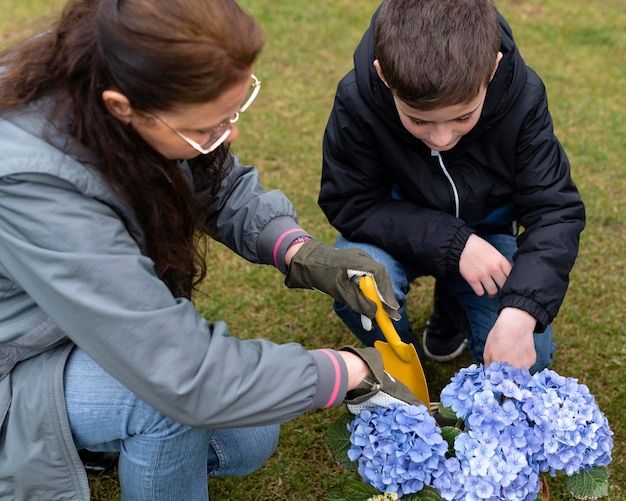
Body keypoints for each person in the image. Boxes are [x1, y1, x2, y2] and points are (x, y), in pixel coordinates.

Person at [0, 0, 417, 499]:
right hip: (14, 365)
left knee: (248, 436)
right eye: (206, 127)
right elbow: (185, 377)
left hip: (64, 329)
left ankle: (95, 443)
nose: (228, 134)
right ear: (121, 107)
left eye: (232, 113)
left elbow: (210, 180)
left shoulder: (115, 74)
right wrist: (347, 369)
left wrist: (298, 252)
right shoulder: (34, 184)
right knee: (165, 405)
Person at [319, 0, 585, 372]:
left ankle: (453, 305)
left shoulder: (523, 96)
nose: (441, 138)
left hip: (488, 234)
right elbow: (351, 202)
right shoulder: (356, 98)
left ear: (492, 68)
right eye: (418, 119)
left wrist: (520, 313)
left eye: (463, 116)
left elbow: (555, 211)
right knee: (361, 285)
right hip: (389, 235)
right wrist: (455, 245)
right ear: (383, 76)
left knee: (531, 356)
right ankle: (403, 368)